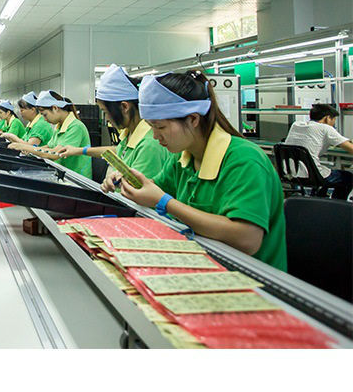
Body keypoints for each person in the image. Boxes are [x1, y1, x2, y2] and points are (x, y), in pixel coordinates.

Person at [103, 70, 287, 270]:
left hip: (250, 277)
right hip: (200, 262)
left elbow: (247, 239)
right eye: (151, 127)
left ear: (193, 119)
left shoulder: (245, 161)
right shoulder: (182, 157)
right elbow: (155, 188)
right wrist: (129, 181)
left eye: (160, 127)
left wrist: (165, 202)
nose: (155, 136)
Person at [54, 64, 172, 177]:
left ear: (124, 107)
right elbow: (118, 151)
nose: (106, 119)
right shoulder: (130, 134)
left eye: (105, 112)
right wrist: (80, 150)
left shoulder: (149, 145)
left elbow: (139, 188)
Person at [8, 90, 92, 177]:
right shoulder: (59, 126)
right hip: (61, 172)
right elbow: (49, 146)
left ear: (55, 108)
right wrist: (30, 149)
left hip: (76, 177)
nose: (44, 119)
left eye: (45, 115)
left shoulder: (76, 127)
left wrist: (25, 147)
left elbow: (56, 153)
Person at [283, 103, 353, 198]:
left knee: (327, 172)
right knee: (348, 177)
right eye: (334, 120)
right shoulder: (326, 128)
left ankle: (320, 198)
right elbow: (350, 148)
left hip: (290, 173)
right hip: (312, 176)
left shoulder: (296, 125)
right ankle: (337, 204)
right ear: (327, 118)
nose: (333, 124)